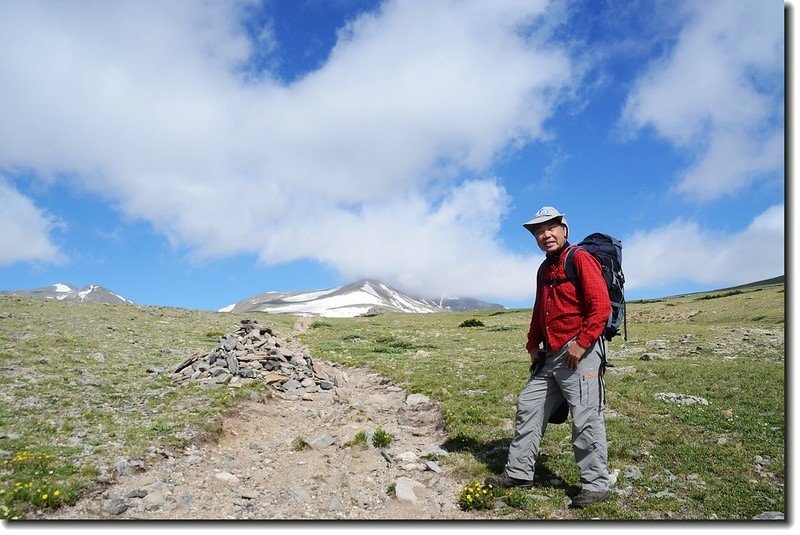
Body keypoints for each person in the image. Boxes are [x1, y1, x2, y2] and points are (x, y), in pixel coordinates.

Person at [484, 205, 612, 509]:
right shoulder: (544, 269)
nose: (545, 235)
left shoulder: (580, 258)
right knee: (528, 405)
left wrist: (581, 344)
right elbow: (539, 310)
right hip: (551, 354)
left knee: (586, 417)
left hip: (580, 353)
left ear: (564, 229)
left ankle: (595, 485)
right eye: (539, 231)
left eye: (551, 228)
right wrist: (532, 344)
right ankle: (518, 473)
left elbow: (600, 306)